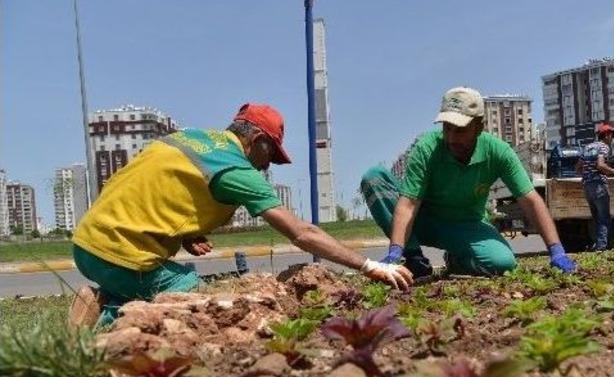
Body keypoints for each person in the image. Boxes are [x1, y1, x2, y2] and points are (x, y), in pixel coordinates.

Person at [70, 103, 412, 327]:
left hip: (89, 240)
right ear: (258, 140)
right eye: (271, 156)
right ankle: (105, 323)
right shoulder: (234, 168)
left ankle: (101, 300)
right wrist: (368, 265)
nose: (268, 166)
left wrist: (186, 231)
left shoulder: (193, 138)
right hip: (121, 255)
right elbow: (301, 233)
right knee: (191, 295)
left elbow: (157, 186)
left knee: (145, 290)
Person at [360, 86, 577, 277]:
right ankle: (414, 259)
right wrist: (395, 253)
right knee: (374, 177)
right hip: (422, 221)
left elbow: (530, 201)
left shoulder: (498, 152)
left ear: (479, 126)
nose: (452, 138)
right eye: (447, 128)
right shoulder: (427, 148)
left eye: (461, 130)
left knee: (503, 264)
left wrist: (556, 250)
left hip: (466, 226)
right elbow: (408, 205)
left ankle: (455, 259)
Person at [576, 123, 614, 250]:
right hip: (599, 185)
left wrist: (588, 172)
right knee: (604, 217)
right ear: (606, 135)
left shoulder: (587, 147)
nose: (612, 139)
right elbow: (600, 165)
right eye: (611, 135)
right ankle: (601, 247)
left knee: (596, 218)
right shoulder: (604, 147)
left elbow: (578, 167)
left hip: (587, 186)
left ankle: (597, 244)